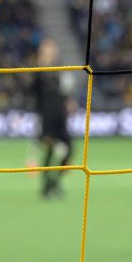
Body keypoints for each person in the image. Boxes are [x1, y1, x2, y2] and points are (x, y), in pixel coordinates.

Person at [30, 39, 75, 199]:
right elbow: (32, 91)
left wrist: (69, 102)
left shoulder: (58, 70)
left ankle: (54, 183)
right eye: (48, 50)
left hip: (60, 119)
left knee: (69, 151)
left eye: (52, 50)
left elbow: (64, 93)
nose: (51, 53)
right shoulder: (39, 72)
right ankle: (46, 186)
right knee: (50, 151)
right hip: (47, 118)